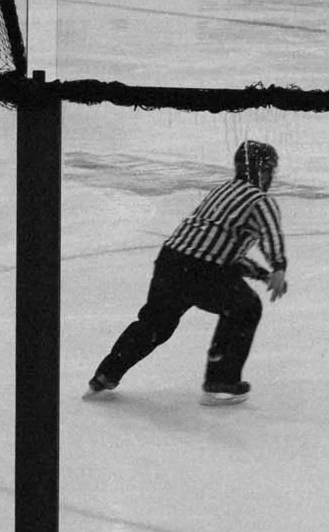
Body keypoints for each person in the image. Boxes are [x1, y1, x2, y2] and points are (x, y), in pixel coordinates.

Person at [86, 140, 289, 405]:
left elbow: (220, 253)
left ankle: (105, 375)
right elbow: (269, 234)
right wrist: (278, 267)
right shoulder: (259, 199)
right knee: (246, 307)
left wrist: (262, 275)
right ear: (264, 171)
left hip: (171, 261)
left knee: (155, 324)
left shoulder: (222, 191)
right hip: (202, 271)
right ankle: (222, 380)